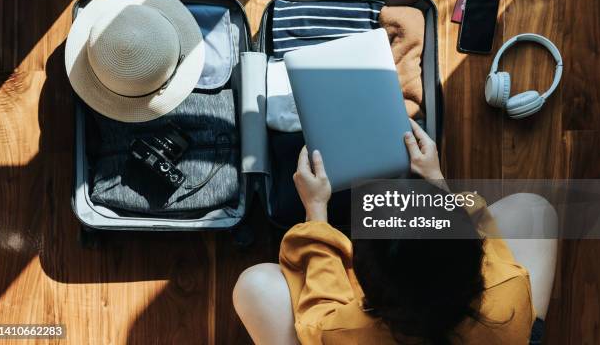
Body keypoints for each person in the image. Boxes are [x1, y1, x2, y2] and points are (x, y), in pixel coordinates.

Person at [233, 119, 557, 345]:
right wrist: (435, 182)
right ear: (476, 256)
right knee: (533, 209)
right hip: (496, 334)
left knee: (256, 286)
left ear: (360, 284)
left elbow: (320, 312)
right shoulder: (511, 288)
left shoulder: (343, 331)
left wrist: (316, 211)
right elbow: (478, 227)